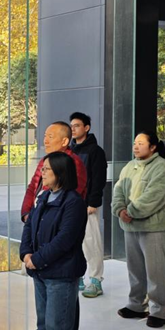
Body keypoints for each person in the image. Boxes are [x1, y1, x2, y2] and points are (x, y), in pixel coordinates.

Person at [21, 152, 87, 330]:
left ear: (61, 173)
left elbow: (65, 239)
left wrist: (38, 258)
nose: (43, 173)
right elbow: (30, 226)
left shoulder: (73, 203)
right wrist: (26, 253)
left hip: (61, 273)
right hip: (40, 271)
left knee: (58, 327)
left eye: (47, 169)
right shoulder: (44, 196)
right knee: (45, 325)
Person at [20, 121, 87, 330]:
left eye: (50, 136)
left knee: (64, 296)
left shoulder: (71, 164)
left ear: (65, 140)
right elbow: (33, 187)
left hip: (57, 229)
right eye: (45, 135)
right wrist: (27, 213)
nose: (45, 140)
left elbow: (71, 200)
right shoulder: (45, 161)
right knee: (45, 294)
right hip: (39, 222)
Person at [111, 131, 165, 328]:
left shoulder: (161, 168)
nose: (135, 146)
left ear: (153, 147)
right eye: (134, 143)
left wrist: (131, 211)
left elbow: (154, 196)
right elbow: (118, 190)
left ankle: (159, 311)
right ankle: (136, 305)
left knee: (156, 271)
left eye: (140, 143)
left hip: (153, 228)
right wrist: (119, 209)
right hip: (130, 226)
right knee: (135, 269)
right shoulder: (130, 166)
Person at [69, 112, 108, 298]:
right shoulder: (70, 150)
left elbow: (99, 178)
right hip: (71, 204)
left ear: (86, 128)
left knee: (91, 242)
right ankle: (78, 277)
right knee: (73, 242)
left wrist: (93, 201)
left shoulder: (95, 151)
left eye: (77, 125)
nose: (73, 129)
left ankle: (95, 280)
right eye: (71, 126)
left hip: (87, 204)